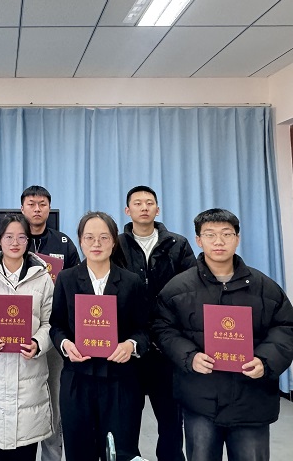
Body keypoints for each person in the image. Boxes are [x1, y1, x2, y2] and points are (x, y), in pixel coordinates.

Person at [153, 208, 293, 461]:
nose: (219, 241)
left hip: (252, 400)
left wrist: (265, 361)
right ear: (198, 240)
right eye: (210, 234)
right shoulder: (178, 288)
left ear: (237, 238)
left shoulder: (265, 287)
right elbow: (163, 328)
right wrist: (189, 357)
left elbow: (286, 327)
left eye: (226, 234)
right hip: (200, 399)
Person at [49, 211, 150, 461]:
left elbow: (144, 329)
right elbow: (56, 325)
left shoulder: (131, 281)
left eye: (104, 237)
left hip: (120, 381)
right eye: (89, 237)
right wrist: (65, 344)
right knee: (79, 451)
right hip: (78, 379)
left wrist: (131, 345)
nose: (97, 244)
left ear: (114, 242)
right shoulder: (66, 279)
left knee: (121, 452)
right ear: (80, 241)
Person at [0, 213, 54, 461]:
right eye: (9, 237)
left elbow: (51, 323)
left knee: (25, 451)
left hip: (29, 380)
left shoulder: (43, 278)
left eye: (21, 237)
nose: (15, 243)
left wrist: (38, 343)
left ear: (28, 241)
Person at [118, 185, 196, 461]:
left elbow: (191, 289)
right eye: (137, 203)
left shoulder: (178, 244)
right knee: (126, 419)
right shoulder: (116, 244)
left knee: (171, 421)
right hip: (128, 345)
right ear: (127, 210)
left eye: (149, 202)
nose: (144, 207)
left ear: (157, 209)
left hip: (167, 347)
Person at [20, 185, 79, 461]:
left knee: (54, 398)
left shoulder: (63, 243)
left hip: (54, 331)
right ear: (22, 208)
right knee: (23, 397)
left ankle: (52, 455)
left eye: (42, 204)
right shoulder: (12, 239)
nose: (37, 209)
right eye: (31, 204)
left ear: (49, 208)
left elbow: (77, 285)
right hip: (18, 330)